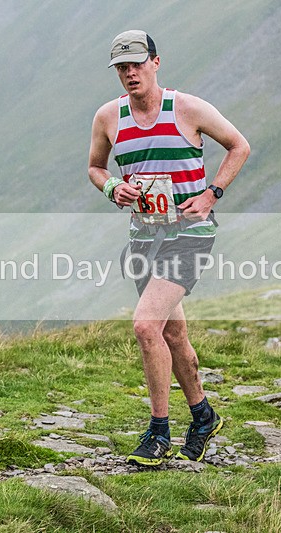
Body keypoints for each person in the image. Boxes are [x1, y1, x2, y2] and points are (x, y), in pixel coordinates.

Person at [88, 30, 250, 465]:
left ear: (156, 63)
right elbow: (95, 168)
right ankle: (203, 416)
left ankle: (158, 432)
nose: (129, 73)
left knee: (146, 326)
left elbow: (239, 146)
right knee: (172, 332)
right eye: (122, 67)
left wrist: (212, 193)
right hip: (144, 237)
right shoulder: (108, 117)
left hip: (188, 236)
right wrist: (114, 189)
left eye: (137, 64)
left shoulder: (188, 108)